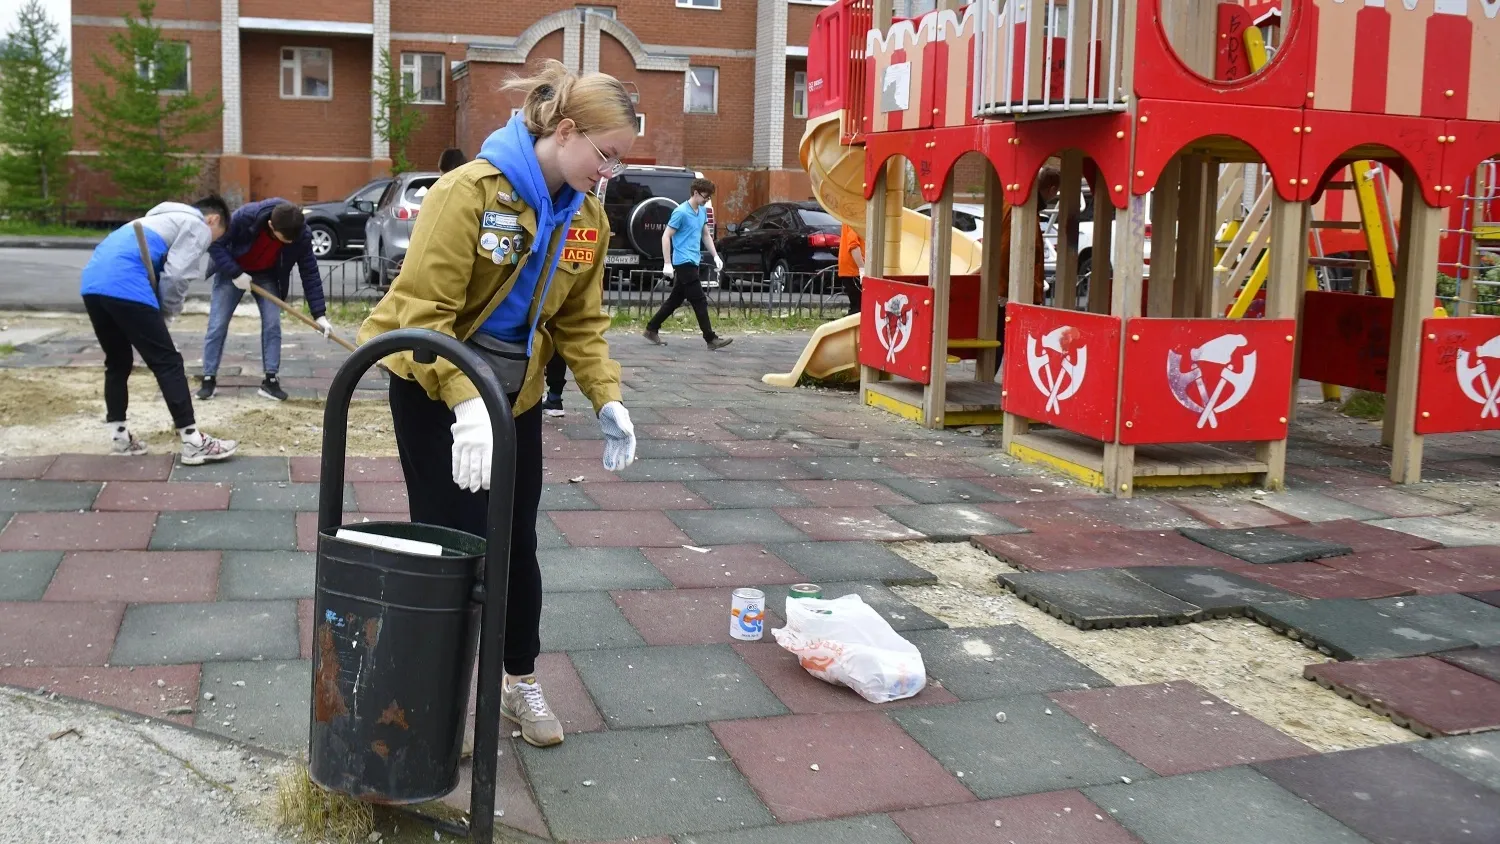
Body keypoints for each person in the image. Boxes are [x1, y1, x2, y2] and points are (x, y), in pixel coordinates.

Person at [357, 58, 639, 749]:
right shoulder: (469, 192)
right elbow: (427, 315)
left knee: (517, 543)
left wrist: (607, 397)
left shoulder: (588, 217)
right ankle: (436, 693)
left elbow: (581, 322)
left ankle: (518, 683)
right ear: (566, 131)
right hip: (432, 385)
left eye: (619, 162)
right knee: (450, 545)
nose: (609, 172)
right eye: (605, 155)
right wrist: (463, 401)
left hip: (513, 393)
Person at [78, 197, 239, 464]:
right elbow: (176, 275)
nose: (207, 245)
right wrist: (167, 313)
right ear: (213, 219)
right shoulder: (196, 223)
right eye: (214, 239)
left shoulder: (154, 219)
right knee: (168, 362)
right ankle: (192, 442)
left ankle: (119, 437)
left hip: (93, 283)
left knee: (118, 361)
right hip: (126, 283)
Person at [198, 199, 333, 402]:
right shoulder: (245, 217)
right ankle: (208, 378)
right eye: (283, 239)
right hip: (232, 271)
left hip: (267, 275)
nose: (287, 244)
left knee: (272, 324)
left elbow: (310, 272)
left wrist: (319, 315)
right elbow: (215, 243)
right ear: (271, 225)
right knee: (217, 324)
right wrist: (235, 273)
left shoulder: (300, 233)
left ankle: (270, 381)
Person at [642, 178, 731, 349]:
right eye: (706, 196)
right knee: (699, 300)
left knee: (675, 300)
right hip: (683, 261)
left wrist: (715, 256)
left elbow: (705, 235)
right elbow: (666, 236)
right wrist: (667, 263)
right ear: (696, 193)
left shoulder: (702, 211)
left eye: (709, 196)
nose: (707, 199)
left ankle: (651, 329)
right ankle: (711, 339)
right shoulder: (681, 212)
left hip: (693, 260)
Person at [836, 224, 865, 315]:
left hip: (852, 269)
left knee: (857, 305)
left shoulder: (851, 219)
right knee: (858, 307)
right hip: (854, 270)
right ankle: (854, 328)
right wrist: (862, 268)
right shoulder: (853, 222)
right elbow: (853, 246)